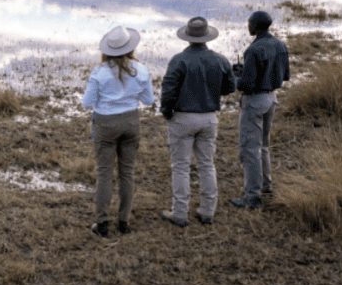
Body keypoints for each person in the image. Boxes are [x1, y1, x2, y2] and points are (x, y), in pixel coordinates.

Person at [159, 16, 236, 227]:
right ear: (206, 36)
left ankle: (180, 212)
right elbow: (230, 88)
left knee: (181, 166)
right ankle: (207, 210)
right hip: (209, 117)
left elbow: (169, 90)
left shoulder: (179, 60)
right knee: (206, 164)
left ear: (188, 37)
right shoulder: (220, 60)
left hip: (183, 117)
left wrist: (167, 112)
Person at [82, 25, 154, 237]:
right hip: (131, 121)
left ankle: (102, 223)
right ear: (131, 47)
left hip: (105, 123)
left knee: (104, 173)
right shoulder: (141, 70)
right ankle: (124, 221)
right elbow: (148, 100)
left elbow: (87, 103)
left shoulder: (99, 72)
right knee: (127, 172)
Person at [231, 10, 290, 209]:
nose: (248, 26)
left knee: (250, 149)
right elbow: (285, 75)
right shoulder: (280, 45)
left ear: (255, 26)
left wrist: (236, 77)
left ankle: (252, 196)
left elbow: (246, 85)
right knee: (263, 145)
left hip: (254, 101)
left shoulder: (253, 50)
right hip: (271, 98)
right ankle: (266, 186)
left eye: (249, 23)